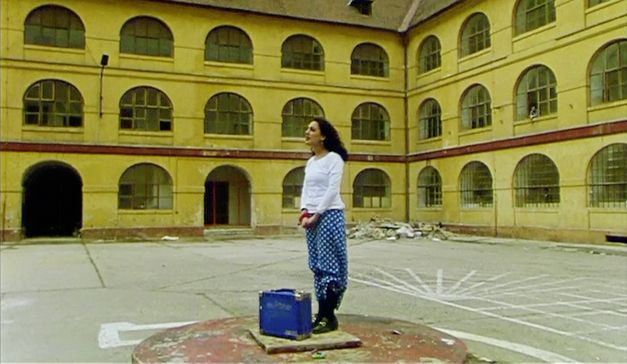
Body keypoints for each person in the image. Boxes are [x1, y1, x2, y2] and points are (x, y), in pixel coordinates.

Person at [298, 116, 349, 334]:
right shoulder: (311, 162)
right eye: (307, 129)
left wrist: (317, 214)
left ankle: (329, 317)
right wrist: (303, 212)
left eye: (312, 129)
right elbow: (306, 190)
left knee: (329, 266)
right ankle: (321, 315)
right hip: (311, 218)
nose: (307, 132)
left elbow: (331, 190)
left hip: (329, 215)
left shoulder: (334, 159)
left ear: (323, 135)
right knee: (317, 265)